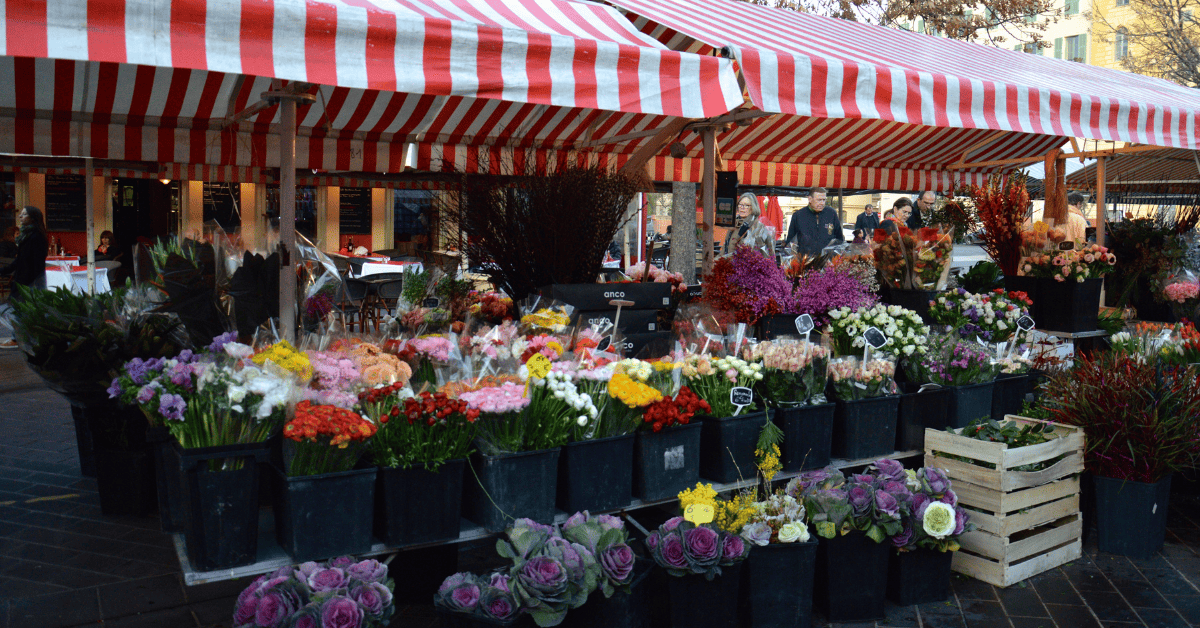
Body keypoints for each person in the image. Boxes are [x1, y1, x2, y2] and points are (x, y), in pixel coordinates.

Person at [0, 206, 49, 348]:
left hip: (28, 281)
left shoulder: (35, 237)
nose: (20, 217)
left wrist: (24, 281)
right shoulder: (27, 235)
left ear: (32, 218)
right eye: (20, 214)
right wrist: (5, 270)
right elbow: (20, 259)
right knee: (22, 310)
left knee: (19, 310)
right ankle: (24, 338)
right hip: (26, 279)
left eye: (24, 215)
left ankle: (17, 339)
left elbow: (32, 262)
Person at [785, 187, 844, 256]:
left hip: (827, 261)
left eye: (824, 200)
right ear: (810, 199)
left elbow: (839, 239)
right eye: (819, 200)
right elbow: (790, 241)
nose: (822, 203)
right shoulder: (798, 215)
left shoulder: (831, 213)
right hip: (805, 261)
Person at [723, 193, 776, 260]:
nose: (742, 207)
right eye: (740, 204)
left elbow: (769, 255)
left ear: (753, 208)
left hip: (750, 268)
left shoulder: (760, 229)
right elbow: (726, 248)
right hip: (731, 266)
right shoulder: (734, 225)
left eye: (746, 205)